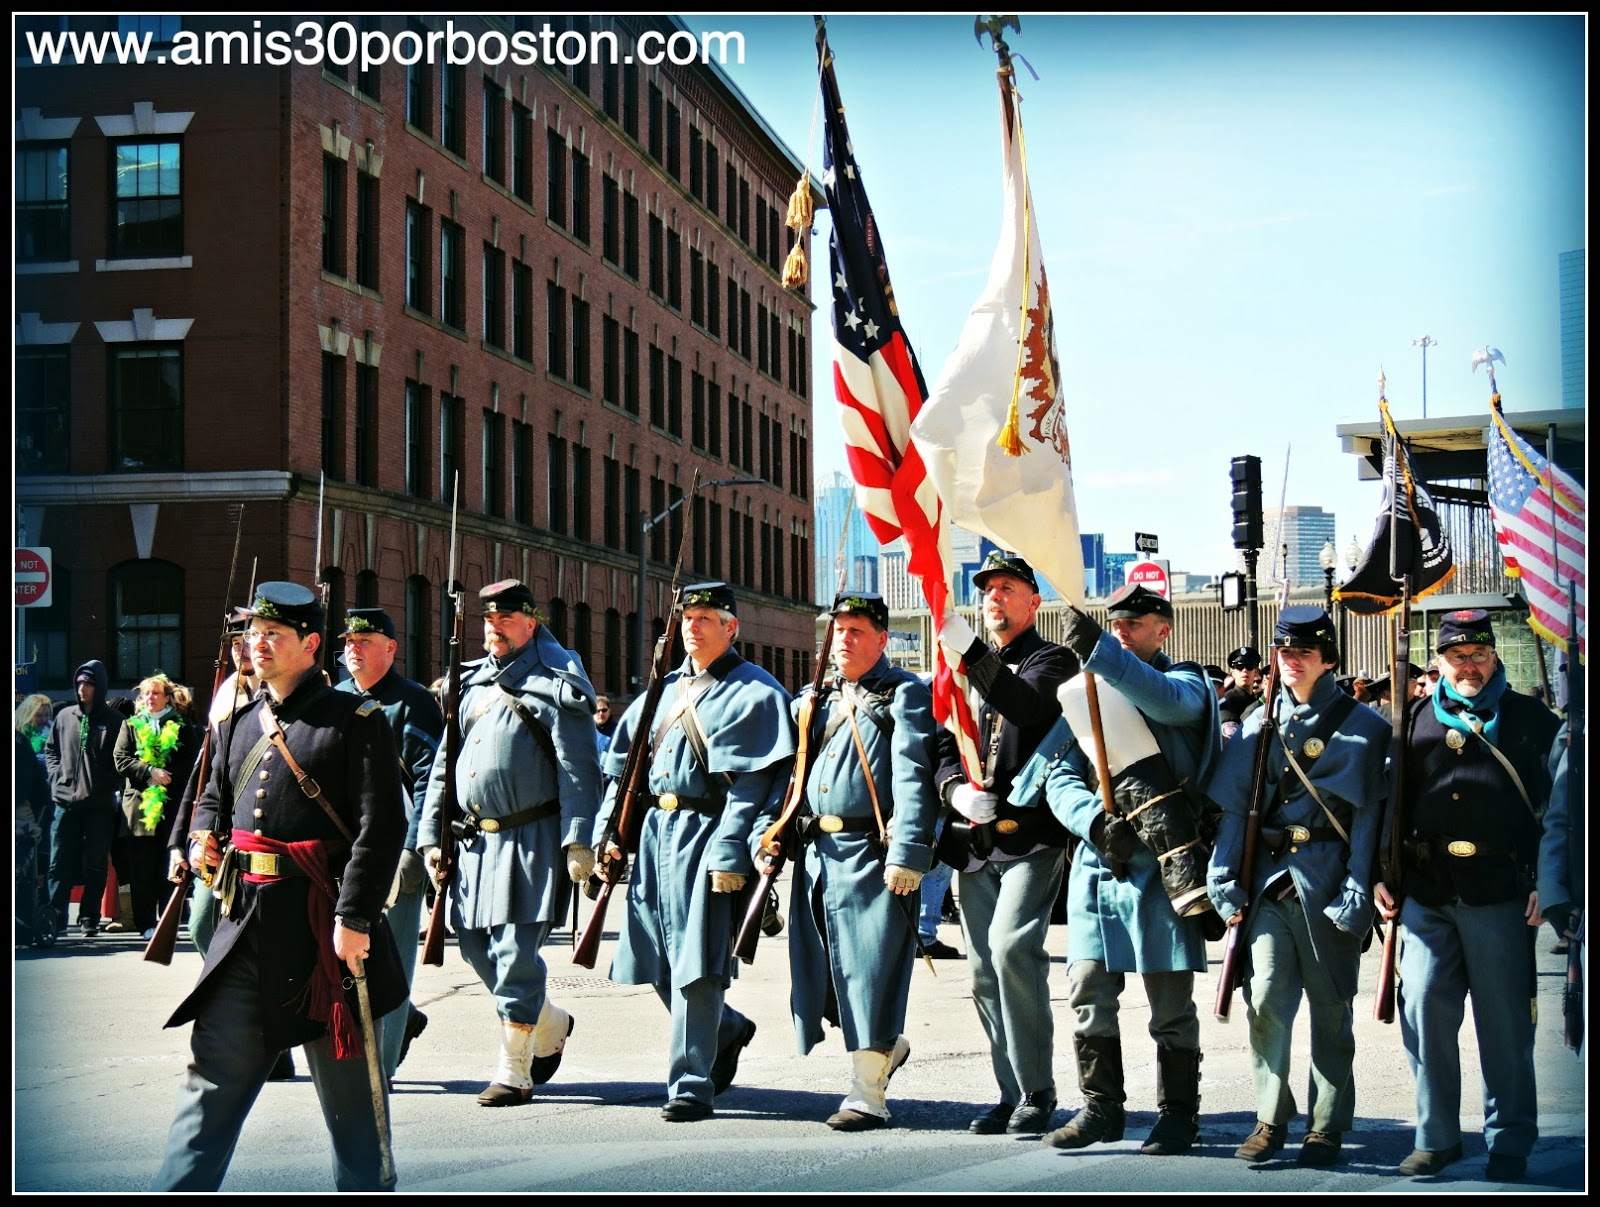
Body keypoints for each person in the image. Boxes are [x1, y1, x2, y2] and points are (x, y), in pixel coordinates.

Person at [154, 582, 406, 1191]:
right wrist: (200, 839)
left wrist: (355, 919)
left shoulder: (355, 722)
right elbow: (210, 795)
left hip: (323, 937)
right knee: (209, 1081)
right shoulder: (240, 720)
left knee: (352, 1112)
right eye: (252, 633)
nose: (257, 644)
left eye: (274, 635)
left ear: (311, 644)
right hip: (244, 928)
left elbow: (382, 827)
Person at [1031, 584, 1220, 1156]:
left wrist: (1103, 656)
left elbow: (1166, 703)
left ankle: (1178, 1115)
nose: (1123, 630)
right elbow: (1058, 774)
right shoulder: (1087, 689)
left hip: (1167, 865)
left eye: (1136, 623)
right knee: (1087, 989)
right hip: (1101, 862)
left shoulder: (1186, 682)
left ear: (1164, 628)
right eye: (1115, 624)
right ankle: (1101, 1110)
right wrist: (1092, 821)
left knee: (1170, 1004)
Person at [596, 582, 795, 1122]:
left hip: (707, 836)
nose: (693, 626)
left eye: (706, 617)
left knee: (697, 965)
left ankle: (690, 1083)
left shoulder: (756, 692)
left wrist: (731, 852)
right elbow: (622, 772)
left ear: (731, 627)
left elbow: (754, 785)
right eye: (687, 616)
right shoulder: (659, 692)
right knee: (653, 955)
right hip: (656, 834)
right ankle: (726, 1027)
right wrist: (607, 834)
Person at [1374, 609, 1561, 1182]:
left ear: (1494, 655)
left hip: (1503, 891)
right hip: (1430, 891)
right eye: (1458, 657)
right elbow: (1390, 802)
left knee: (1504, 1024)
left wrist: (1545, 884)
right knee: (1425, 1007)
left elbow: (1560, 811)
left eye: (1479, 655)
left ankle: (1509, 1139)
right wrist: (1385, 870)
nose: (1470, 666)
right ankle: (1437, 1136)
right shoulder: (1410, 722)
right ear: (1439, 662)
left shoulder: (1532, 720)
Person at [1206, 607, 1390, 1166]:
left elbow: (1367, 823)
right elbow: (1239, 810)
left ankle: (1328, 1125)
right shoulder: (1260, 725)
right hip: (1267, 884)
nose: (1292, 661)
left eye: (1304, 653)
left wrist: (1358, 891)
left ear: (1328, 658)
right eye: (1284, 653)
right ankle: (1270, 1118)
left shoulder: (1365, 727)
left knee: (1331, 1010)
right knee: (1263, 1000)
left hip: (1330, 884)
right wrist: (1225, 879)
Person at [758, 591, 939, 1131]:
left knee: (870, 973)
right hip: (816, 856)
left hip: (871, 857)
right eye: (838, 631)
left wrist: (907, 853)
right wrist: (767, 834)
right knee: (826, 975)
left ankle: (867, 1093)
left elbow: (912, 778)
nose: (844, 640)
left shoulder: (903, 695)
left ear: (882, 639)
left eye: (857, 631)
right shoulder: (816, 697)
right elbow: (790, 777)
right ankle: (885, 1049)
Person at [419, 579, 601, 1107]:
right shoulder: (473, 684)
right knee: (478, 950)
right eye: (486, 621)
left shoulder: (557, 683)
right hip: (476, 844)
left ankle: (514, 1068)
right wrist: (432, 835)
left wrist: (579, 839)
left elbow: (579, 770)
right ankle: (548, 1020)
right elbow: (442, 768)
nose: (492, 629)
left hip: (532, 840)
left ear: (530, 622)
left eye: (503, 620)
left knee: (516, 952)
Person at [933, 551, 1079, 1136]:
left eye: (1007, 588)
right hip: (974, 840)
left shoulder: (1052, 659)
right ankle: (1011, 1089)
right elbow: (945, 741)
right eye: (987, 588)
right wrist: (953, 793)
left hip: (1030, 838)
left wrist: (965, 652)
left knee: (1011, 950)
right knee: (981, 972)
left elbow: (1026, 706)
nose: (993, 596)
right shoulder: (963, 669)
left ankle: (1039, 1092)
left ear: (1033, 602)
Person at [337, 607, 444, 1080]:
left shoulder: (413, 703)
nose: (353, 649)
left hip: (397, 849)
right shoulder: (332, 697)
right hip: (342, 851)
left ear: (390, 649)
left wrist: (414, 850)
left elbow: (429, 782)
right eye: (348, 642)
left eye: (365, 640)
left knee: (394, 959)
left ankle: (378, 1070)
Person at [112, 673, 201, 940]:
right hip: (140, 809)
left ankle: (167, 920)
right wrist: (150, 771)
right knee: (141, 869)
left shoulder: (181, 726)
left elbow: (192, 762)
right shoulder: (130, 725)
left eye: (155, 694)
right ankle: (145, 923)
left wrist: (167, 774)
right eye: (146, 694)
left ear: (166, 698)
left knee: (169, 865)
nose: (149, 699)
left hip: (172, 806)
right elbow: (120, 758)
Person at [43, 660, 123, 937]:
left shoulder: (114, 721)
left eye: (88, 684)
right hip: (64, 803)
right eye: (79, 683)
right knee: (58, 862)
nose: (82, 689)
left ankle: (89, 917)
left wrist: (107, 784)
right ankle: (55, 917)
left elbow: (122, 758)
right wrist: (57, 777)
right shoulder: (64, 717)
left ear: (99, 687)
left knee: (96, 864)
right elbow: (51, 750)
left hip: (99, 806)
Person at [1220, 648, 1264, 742]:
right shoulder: (1227, 701)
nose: (1244, 671)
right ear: (1233, 673)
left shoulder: (1254, 700)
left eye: (1249, 667)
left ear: (1255, 672)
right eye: (1239, 668)